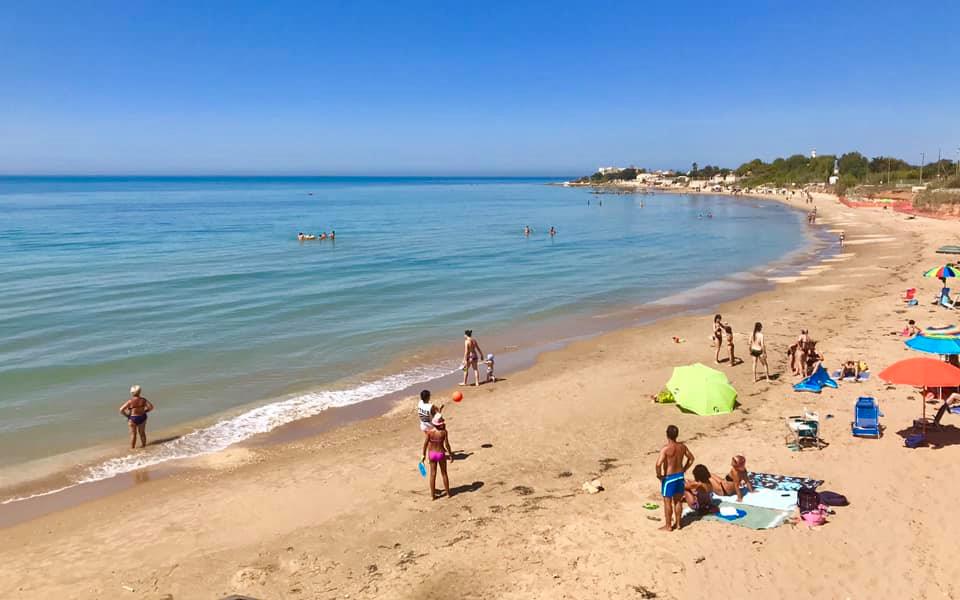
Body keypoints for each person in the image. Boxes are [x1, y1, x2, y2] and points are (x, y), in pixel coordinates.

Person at [656, 425, 694, 532]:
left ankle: (668, 526)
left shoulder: (666, 449)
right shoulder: (682, 447)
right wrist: (684, 469)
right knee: (678, 501)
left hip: (669, 478)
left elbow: (658, 464)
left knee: (667, 502)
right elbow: (691, 459)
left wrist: (659, 475)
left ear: (667, 434)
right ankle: (678, 524)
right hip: (680, 476)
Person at [421, 414, 453, 500]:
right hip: (441, 453)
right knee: (444, 473)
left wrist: (423, 455)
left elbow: (425, 444)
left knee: (432, 474)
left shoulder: (430, 432)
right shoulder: (444, 432)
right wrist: (450, 454)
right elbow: (447, 444)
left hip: (432, 454)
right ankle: (448, 493)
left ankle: (433, 496)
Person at [119, 385, 154, 449]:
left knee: (133, 435)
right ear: (140, 392)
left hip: (133, 418)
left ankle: (132, 449)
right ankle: (144, 446)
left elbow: (121, 409)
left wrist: (127, 416)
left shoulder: (130, 401)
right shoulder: (143, 400)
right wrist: (145, 411)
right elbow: (151, 407)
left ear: (132, 393)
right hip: (142, 417)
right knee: (142, 433)